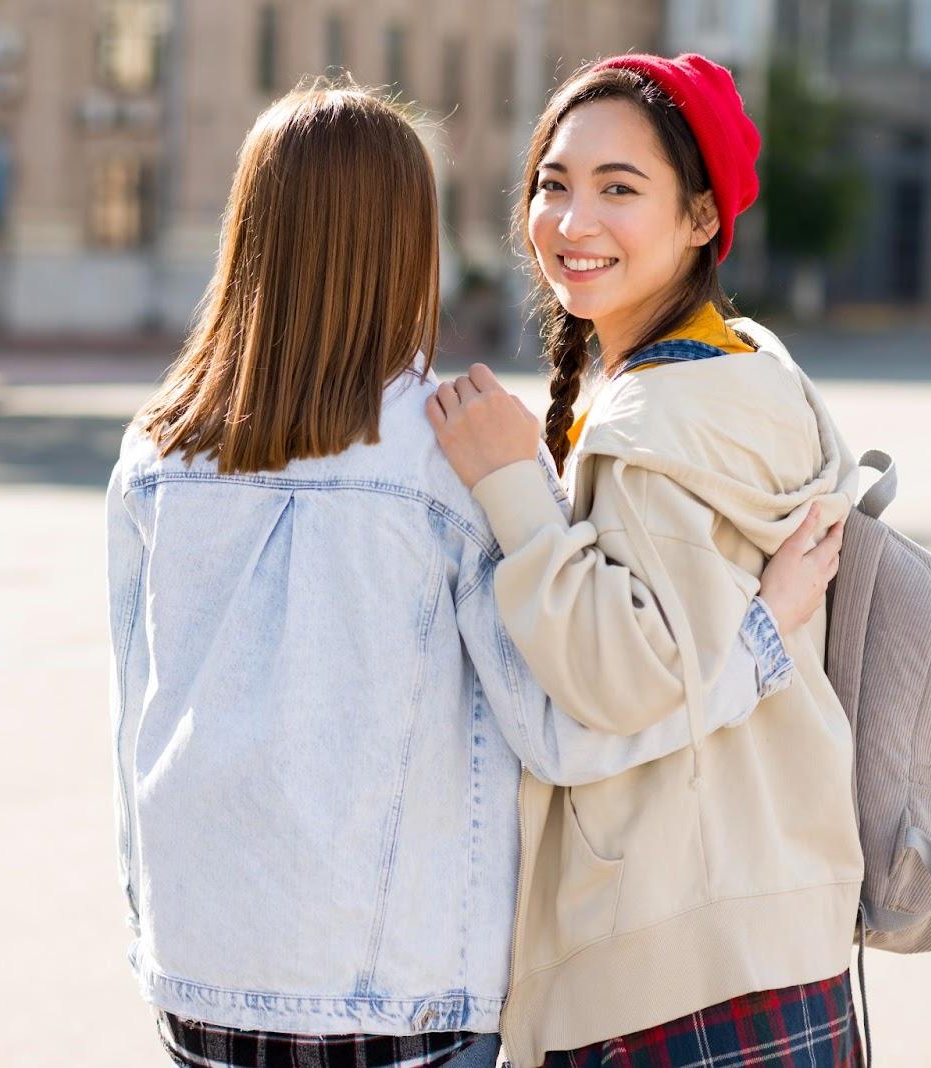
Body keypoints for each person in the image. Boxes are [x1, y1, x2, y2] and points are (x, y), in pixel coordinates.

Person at [104, 81, 841, 1068]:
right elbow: (567, 731)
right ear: (413, 242)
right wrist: (758, 639)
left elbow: (132, 715)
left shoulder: (155, 449)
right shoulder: (453, 453)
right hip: (399, 992)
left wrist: (154, 925)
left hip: (198, 974)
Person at [428, 54, 865, 1067]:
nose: (572, 222)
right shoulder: (743, 365)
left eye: (619, 190)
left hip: (666, 970)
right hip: (768, 932)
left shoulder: (658, 421)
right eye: (553, 183)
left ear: (703, 219)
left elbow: (623, 677)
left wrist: (509, 487)